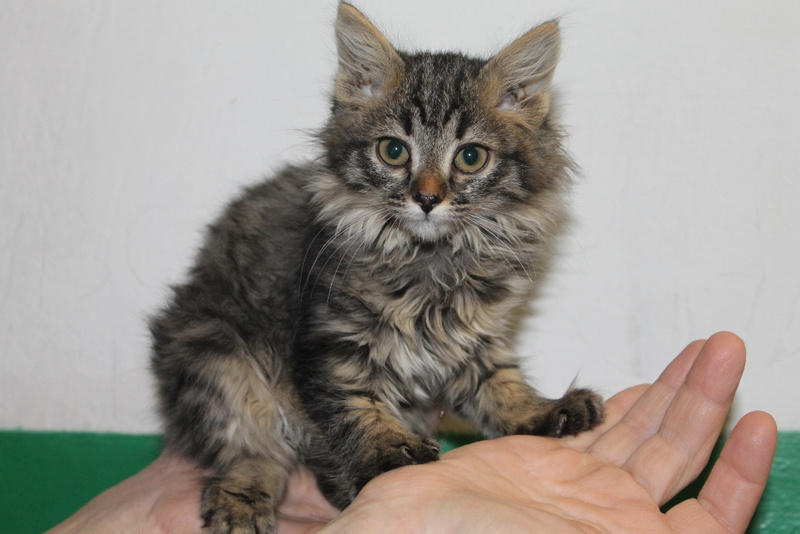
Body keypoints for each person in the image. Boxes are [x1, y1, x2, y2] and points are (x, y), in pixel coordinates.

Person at [48, 332, 777, 534]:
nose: (429, 187)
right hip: (242, 371)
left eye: (468, 157)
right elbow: (337, 366)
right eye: (397, 152)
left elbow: (460, 351)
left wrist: (520, 413)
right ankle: (252, 469)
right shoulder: (344, 247)